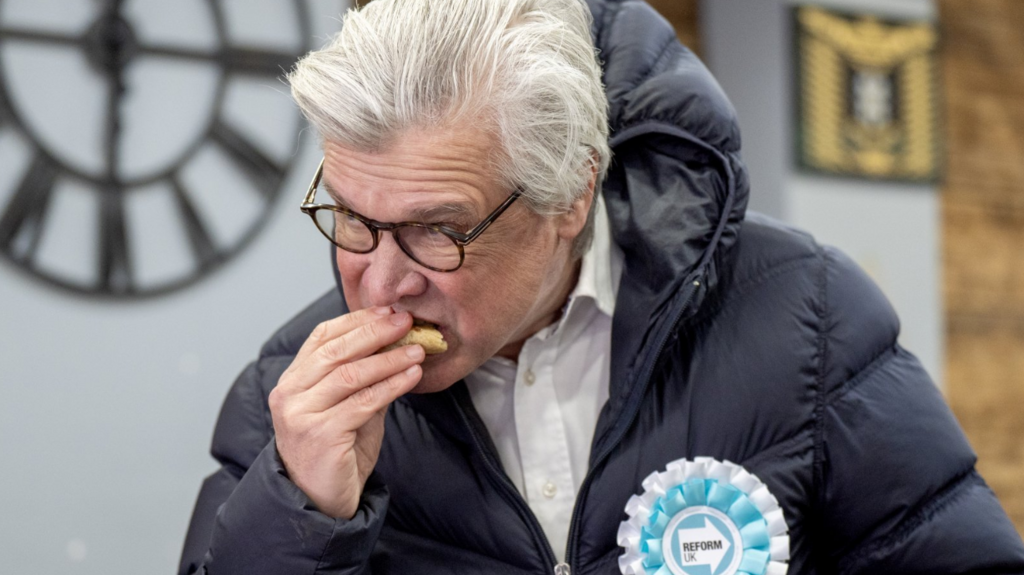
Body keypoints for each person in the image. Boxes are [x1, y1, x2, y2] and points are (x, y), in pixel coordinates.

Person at [179, 0, 1024, 573]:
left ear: (571, 193)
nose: (383, 283)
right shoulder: (287, 396)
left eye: (439, 230)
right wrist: (299, 514)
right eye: (353, 219)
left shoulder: (810, 317)